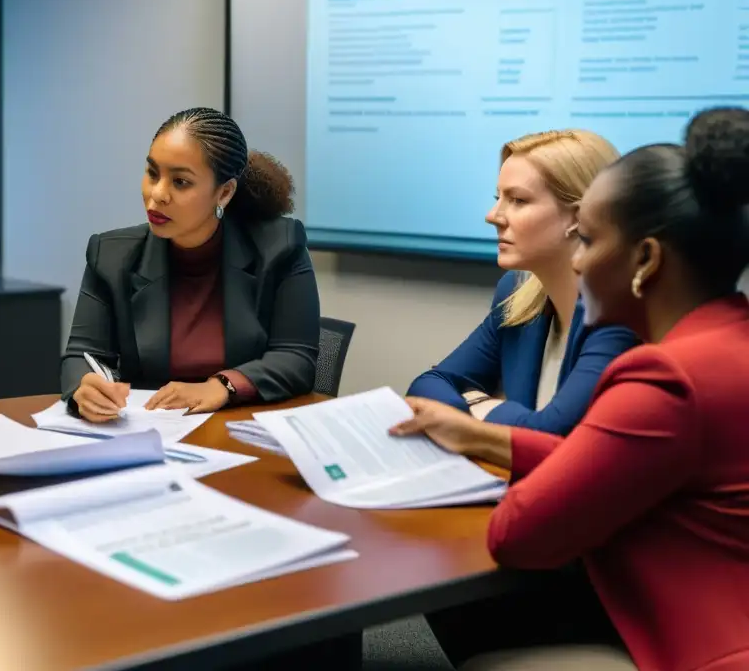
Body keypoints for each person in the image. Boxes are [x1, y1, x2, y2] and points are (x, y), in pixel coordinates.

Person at [394, 107, 749, 670]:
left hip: (693, 649)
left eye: (587, 240)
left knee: (448, 571)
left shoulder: (666, 375)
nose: (578, 261)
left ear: (646, 259)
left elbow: (518, 535)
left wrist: (485, 427)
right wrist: (484, 438)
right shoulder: (729, 341)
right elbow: (607, 457)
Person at [61, 107, 320, 420]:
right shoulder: (111, 256)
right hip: (151, 430)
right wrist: (84, 388)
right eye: (153, 174)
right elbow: (82, 355)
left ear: (224, 193)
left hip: (242, 425)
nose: (157, 195)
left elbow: (296, 357)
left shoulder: (280, 247)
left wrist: (223, 385)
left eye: (180, 182)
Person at [407, 129, 638, 435]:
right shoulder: (517, 291)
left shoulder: (619, 314)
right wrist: (484, 407)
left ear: (581, 215)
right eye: (498, 198)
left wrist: (478, 407)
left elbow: (553, 432)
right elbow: (429, 384)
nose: (493, 216)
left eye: (517, 200)